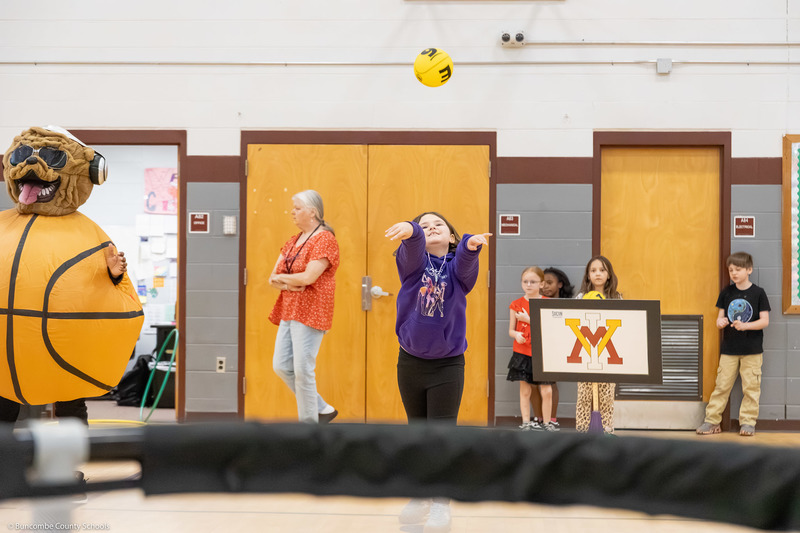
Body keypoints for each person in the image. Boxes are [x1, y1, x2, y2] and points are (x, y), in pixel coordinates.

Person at [385, 211, 491, 533]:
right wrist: (410, 231)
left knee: (442, 435)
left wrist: (471, 247)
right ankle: (420, 495)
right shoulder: (412, 266)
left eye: (438, 225)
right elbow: (414, 248)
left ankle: (441, 501)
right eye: (425, 225)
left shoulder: (458, 270)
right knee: (417, 432)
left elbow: (465, 266)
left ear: (450, 235)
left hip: (447, 364)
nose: (431, 229)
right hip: (411, 362)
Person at [268, 190, 339, 424]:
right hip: (290, 308)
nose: (293, 212)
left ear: (313, 212)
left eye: (298, 208)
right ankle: (321, 408)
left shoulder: (325, 239)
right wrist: (290, 283)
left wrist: (285, 280)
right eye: (293, 208)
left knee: (302, 370)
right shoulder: (293, 240)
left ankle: (309, 427)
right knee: (281, 365)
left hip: (312, 311)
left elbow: (309, 278)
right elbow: (272, 278)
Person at [697, 252, 770, 437]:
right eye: (731, 270)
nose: (734, 273)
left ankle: (748, 422)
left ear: (749, 270)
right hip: (729, 350)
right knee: (721, 386)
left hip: (752, 350)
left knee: (751, 388)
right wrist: (720, 322)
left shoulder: (759, 293)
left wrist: (746, 325)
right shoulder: (727, 292)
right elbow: (720, 318)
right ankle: (712, 421)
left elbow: (764, 321)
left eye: (738, 269)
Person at [507, 266, 558, 432]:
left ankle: (547, 423)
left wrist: (529, 320)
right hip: (522, 352)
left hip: (542, 353)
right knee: (525, 390)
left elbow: (550, 329)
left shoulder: (546, 303)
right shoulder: (516, 305)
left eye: (533, 282)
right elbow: (511, 330)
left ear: (541, 284)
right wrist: (516, 335)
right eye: (525, 281)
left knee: (547, 390)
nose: (528, 285)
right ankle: (526, 422)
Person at [574, 255, 621, 434]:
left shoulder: (616, 298)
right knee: (585, 394)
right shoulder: (581, 297)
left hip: (608, 352)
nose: (598, 274)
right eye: (593, 271)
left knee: (606, 395)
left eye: (602, 270)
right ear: (588, 276)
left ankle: (607, 430)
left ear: (609, 275)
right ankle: (582, 430)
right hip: (586, 351)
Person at [534, 267, 575, 428]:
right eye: (542, 283)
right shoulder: (536, 300)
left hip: (556, 346)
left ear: (560, 284)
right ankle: (538, 419)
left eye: (549, 283)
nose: (545, 286)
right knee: (533, 383)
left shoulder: (565, 305)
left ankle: (551, 419)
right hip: (535, 345)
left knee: (550, 383)